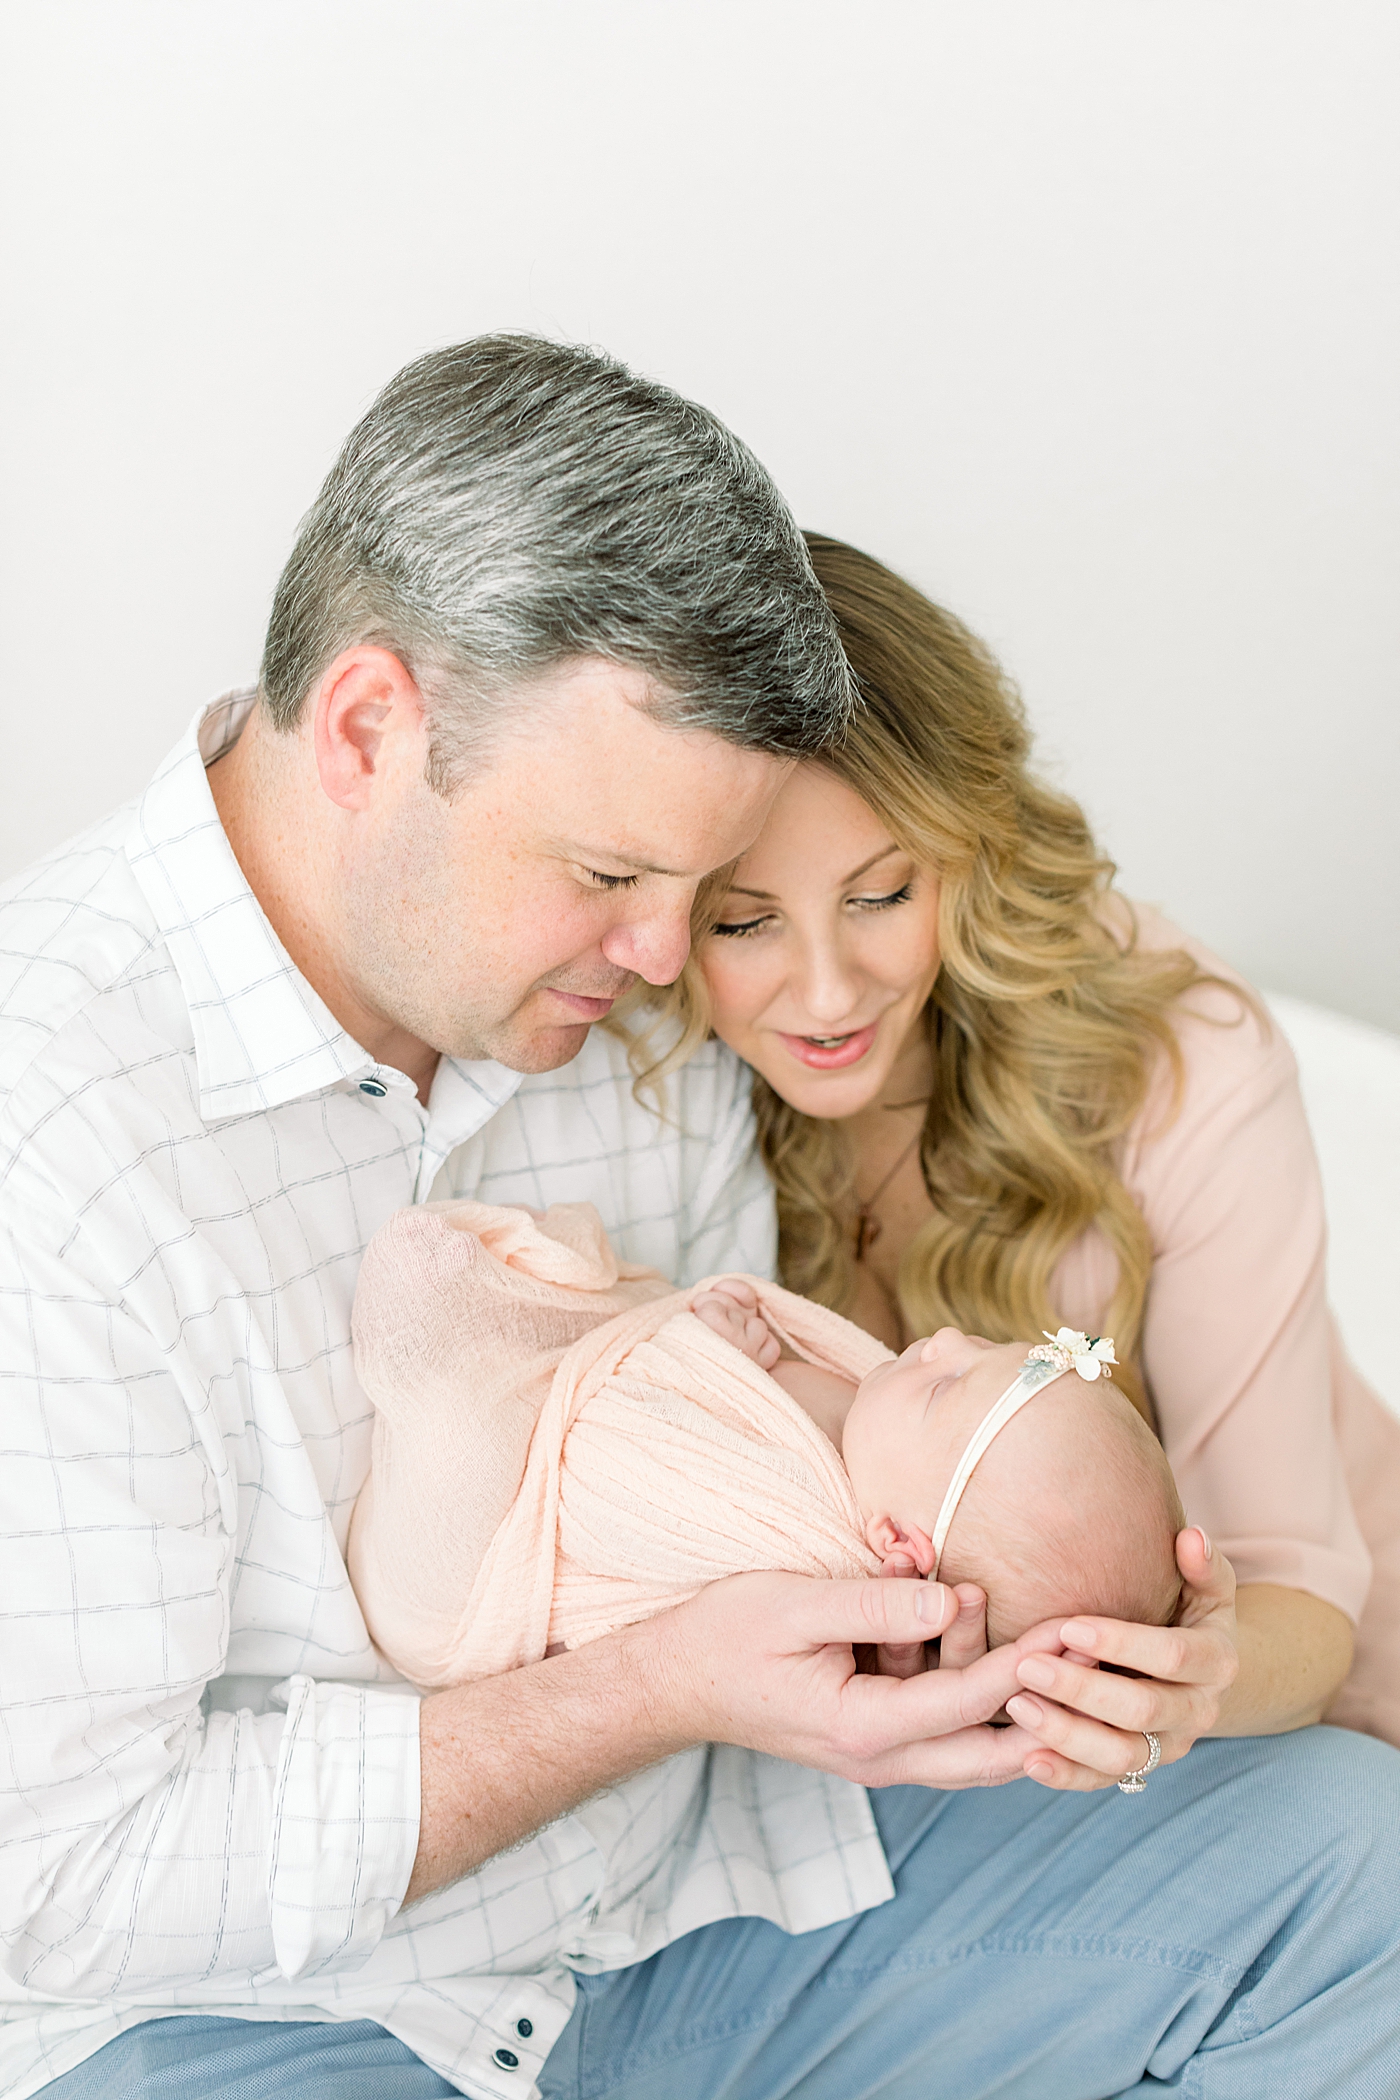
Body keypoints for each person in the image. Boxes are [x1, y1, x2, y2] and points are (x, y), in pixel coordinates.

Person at [2, 340, 1397, 2100]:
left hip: (687, 1910)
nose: (670, 966)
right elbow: (52, 1884)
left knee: (1350, 1872)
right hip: (289, 2021)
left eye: (692, 895)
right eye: (610, 880)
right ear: (369, 730)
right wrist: (650, 1687)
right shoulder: (53, 1148)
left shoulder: (608, 1005)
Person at [345, 1196, 1183, 1690]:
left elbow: (625, 1479)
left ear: (895, 1543)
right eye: (980, 1346)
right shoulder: (876, 1444)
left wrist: (696, 1358)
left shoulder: (798, 1537)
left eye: (942, 1384)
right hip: (578, 1408)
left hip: (475, 1576)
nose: (944, 1339)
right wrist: (738, 1348)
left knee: (458, 1395)